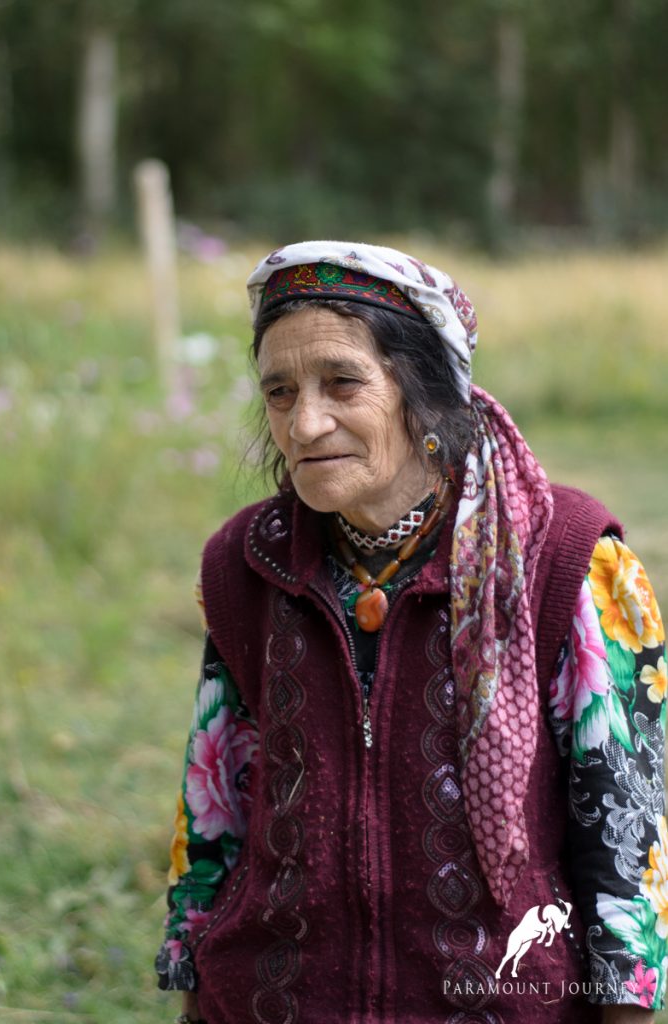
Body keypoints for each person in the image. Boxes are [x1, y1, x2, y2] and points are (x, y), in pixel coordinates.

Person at [155, 241, 667, 1024]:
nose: (306, 421)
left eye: (342, 382)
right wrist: (194, 991)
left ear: (423, 392)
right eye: (280, 392)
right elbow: (215, 807)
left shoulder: (565, 558)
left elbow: (626, 841)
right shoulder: (247, 564)